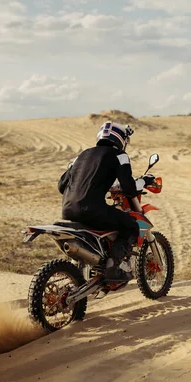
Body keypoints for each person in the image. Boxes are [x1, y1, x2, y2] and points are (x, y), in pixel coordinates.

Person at [57, 121, 142, 282]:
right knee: (131, 226)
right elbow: (129, 188)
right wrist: (144, 182)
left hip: (68, 209)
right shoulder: (120, 155)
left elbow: (61, 186)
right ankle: (112, 268)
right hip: (91, 210)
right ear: (121, 140)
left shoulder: (80, 156)